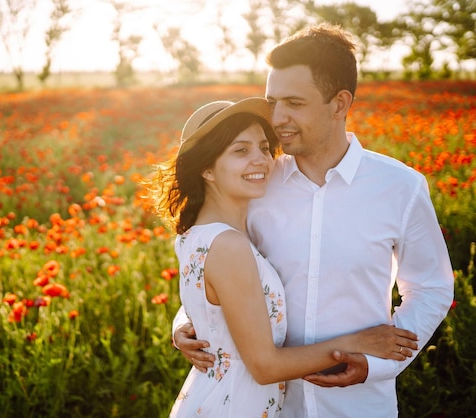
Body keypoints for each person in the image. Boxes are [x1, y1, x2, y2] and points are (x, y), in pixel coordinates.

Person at [173, 23, 455, 417]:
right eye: (273, 102)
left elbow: (431, 288)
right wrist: (187, 322)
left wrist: (379, 363)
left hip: (359, 404)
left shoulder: (400, 187)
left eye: (295, 103)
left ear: (339, 103)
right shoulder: (258, 184)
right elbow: (220, 267)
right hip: (270, 403)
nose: (278, 118)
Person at [150, 96, 419, 417]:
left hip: (214, 395)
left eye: (264, 147)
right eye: (241, 150)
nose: (261, 160)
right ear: (207, 168)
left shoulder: (194, 233)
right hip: (236, 404)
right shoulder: (229, 244)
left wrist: (183, 328)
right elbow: (264, 366)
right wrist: (360, 341)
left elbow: (211, 307)